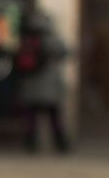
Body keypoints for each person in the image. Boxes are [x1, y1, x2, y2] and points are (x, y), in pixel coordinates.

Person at [15, 9, 70, 154]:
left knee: (31, 118)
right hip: (49, 87)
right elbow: (65, 52)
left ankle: (30, 144)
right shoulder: (51, 38)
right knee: (54, 117)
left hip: (31, 86)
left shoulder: (27, 37)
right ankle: (61, 145)